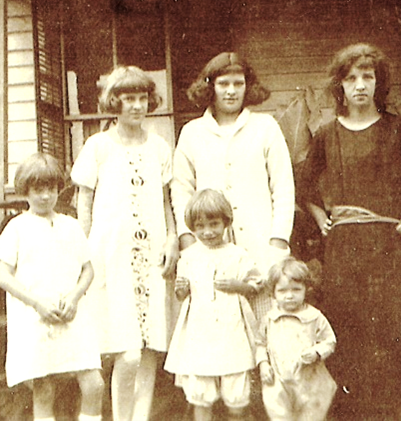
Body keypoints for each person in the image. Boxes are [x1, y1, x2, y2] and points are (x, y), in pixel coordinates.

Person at [297, 43, 401, 419]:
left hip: (393, 246)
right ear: (339, 86)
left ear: (379, 83)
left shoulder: (400, 129)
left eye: (368, 77)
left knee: (396, 326)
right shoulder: (327, 134)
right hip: (346, 247)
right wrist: (318, 215)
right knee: (349, 327)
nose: (360, 85)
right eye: (351, 78)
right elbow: (305, 183)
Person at [71, 66, 179, 421]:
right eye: (128, 98)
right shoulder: (98, 146)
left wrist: (172, 238)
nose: (136, 105)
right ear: (115, 102)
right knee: (127, 351)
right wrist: (85, 251)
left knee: (149, 351)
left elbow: (165, 201)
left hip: (152, 256)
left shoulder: (159, 147)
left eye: (142, 98)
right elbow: (83, 201)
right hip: (110, 255)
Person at [171, 51, 294, 321]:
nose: (231, 91)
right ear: (210, 87)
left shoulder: (265, 127)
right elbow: (181, 191)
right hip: (209, 244)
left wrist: (278, 241)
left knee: (265, 321)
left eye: (238, 83)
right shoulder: (192, 132)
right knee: (219, 322)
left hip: (260, 242)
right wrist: (188, 240)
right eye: (223, 84)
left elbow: (283, 187)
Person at [0, 153, 104, 421]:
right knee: (43, 390)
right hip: (35, 319)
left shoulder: (71, 226)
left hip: (71, 315)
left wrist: (75, 297)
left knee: (94, 384)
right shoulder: (17, 228)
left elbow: (87, 269)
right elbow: (3, 277)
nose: (45, 196)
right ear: (26, 191)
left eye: (51, 189)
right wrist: (36, 303)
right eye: (38, 190)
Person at [164, 189, 259, 421]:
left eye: (214, 224)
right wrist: (181, 289)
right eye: (200, 227)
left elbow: (255, 286)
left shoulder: (237, 255)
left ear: (226, 222)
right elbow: (181, 296)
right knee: (201, 391)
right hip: (201, 332)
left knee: (236, 391)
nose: (207, 232)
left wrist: (237, 285)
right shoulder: (189, 256)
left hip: (231, 329)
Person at [257, 258, 337, 421]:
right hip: (278, 379)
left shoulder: (314, 316)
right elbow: (260, 343)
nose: (289, 296)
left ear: (306, 289)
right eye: (283, 291)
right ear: (273, 293)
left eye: (296, 290)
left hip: (309, 379)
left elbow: (329, 340)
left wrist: (316, 351)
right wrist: (263, 364)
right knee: (280, 413)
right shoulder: (270, 318)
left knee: (310, 414)